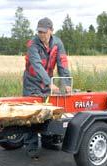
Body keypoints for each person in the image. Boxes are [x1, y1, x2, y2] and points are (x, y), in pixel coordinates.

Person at [23, 17, 71, 158]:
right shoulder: (32, 44)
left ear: (51, 31)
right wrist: (50, 83)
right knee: (32, 114)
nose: (41, 34)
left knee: (48, 111)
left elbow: (62, 64)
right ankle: (31, 146)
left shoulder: (58, 43)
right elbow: (37, 66)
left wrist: (66, 84)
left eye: (44, 32)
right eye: (39, 32)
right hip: (32, 83)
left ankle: (47, 141)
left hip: (47, 82)